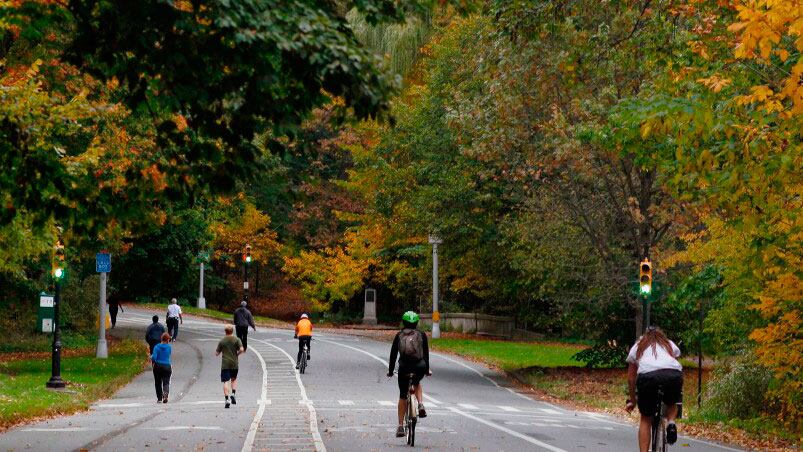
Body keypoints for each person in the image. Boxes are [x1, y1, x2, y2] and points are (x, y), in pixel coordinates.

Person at [625, 326, 683, 452]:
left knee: (646, 418)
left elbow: (631, 378)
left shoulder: (638, 346)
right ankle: (671, 423)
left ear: (644, 336)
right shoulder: (669, 344)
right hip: (673, 375)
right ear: (662, 335)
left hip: (648, 377)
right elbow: (675, 362)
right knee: (672, 403)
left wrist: (633, 401)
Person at [387, 311, 431, 438]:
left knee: (402, 396)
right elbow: (426, 356)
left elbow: (393, 355)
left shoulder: (399, 335)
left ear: (403, 322)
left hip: (404, 368)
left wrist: (390, 371)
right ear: (416, 322)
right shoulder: (422, 335)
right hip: (419, 367)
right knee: (417, 382)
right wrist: (427, 370)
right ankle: (421, 404)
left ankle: (400, 426)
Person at [216, 324, 244, 409]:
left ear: (225, 331)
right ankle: (233, 394)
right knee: (234, 379)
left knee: (225, 382)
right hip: (234, 363)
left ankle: (227, 399)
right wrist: (237, 354)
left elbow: (216, 353)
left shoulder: (222, 341)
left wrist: (220, 352)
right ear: (232, 331)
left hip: (225, 364)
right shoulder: (237, 339)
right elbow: (242, 349)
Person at [151, 332, 172, 403]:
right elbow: (168, 354)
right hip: (167, 366)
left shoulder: (156, 347)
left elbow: (154, 357)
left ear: (161, 339)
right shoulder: (169, 347)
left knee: (157, 382)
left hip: (158, 366)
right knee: (166, 382)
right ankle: (165, 394)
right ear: (167, 340)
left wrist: (151, 358)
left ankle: (159, 398)